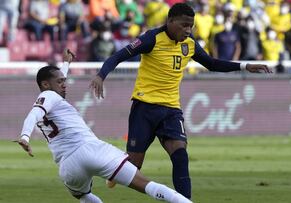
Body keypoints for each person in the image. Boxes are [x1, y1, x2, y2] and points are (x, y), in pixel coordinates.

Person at [89, 3, 272, 200]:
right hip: (145, 108)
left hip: (171, 109)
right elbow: (118, 55)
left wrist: (245, 65)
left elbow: (211, 63)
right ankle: (117, 169)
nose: (187, 30)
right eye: (184, 25)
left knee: (180, 155)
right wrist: (101, 76)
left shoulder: (189, 43)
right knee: (133, 166)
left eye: (190, 26)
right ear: (170, 21)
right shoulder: (152, 38)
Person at [14, 48, 192, 203]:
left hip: (68, 167)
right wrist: (24, 136)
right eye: (60, 82)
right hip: (91, 150)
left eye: (64, 80)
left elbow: (46, 96)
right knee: (147, 185)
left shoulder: (50, 96)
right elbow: (34, 113)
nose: (64, 85)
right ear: (45, 84)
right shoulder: (49, 96)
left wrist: (66, 64)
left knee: (84, 196)